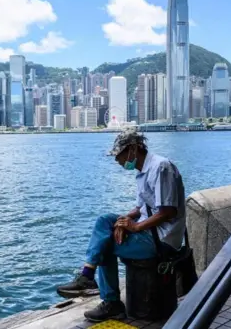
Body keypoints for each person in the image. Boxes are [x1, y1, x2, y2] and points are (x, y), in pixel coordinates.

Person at [56, 128, 187, 322]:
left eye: (119, 155)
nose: (117, 161)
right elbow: (140, 208)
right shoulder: (142, 173)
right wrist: (122, 221)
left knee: (106, 246)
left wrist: (134, 227)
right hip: (149, 232)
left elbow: (168, 211)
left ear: (133, 149)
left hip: (162, 239)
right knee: (105, 221)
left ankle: (109, 300)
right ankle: (89, 276)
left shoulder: (161, 167)